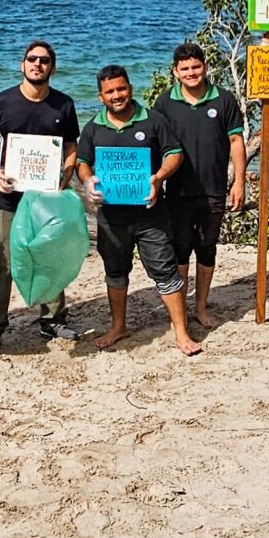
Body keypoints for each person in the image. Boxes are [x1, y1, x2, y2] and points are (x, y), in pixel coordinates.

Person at [75, 67, 199, 356]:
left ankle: (181, 331)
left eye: (121, 89)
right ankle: (119, 326)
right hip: (111, 218)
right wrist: (88, 180)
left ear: (130, 88)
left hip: (150, 215)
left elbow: (174, 153)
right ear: (101, 96)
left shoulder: (153, 120)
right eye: (110, 91)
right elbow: (82, 162)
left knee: (165, 271)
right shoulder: (93, 127)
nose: (117, 95)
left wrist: (159, 178)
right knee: (115, 272)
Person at [0, 41, 80, 358]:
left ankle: (53, 320)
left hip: (46, 198)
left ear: (52, 67)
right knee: (1, 266)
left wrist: (65, 176)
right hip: (7, 198)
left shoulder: (64, 104)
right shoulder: (2, 102)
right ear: (22, 64)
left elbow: (71, 145)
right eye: (32, 59)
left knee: (49, 256)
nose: (37, 64)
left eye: (44, 60)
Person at [151, 42, 246, 328]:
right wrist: (153, 181)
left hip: (213, 190)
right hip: (177, 192)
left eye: (196, 67)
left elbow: (236, 141)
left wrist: (239, 182)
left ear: (204, 66)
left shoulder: (224, 100)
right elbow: (155, 147)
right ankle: (179, 310)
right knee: (180, 251)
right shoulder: (164, 103)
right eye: (185, 69)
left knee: (207, 250)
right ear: (175, 72)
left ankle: (201, 308)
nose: (191, 73)